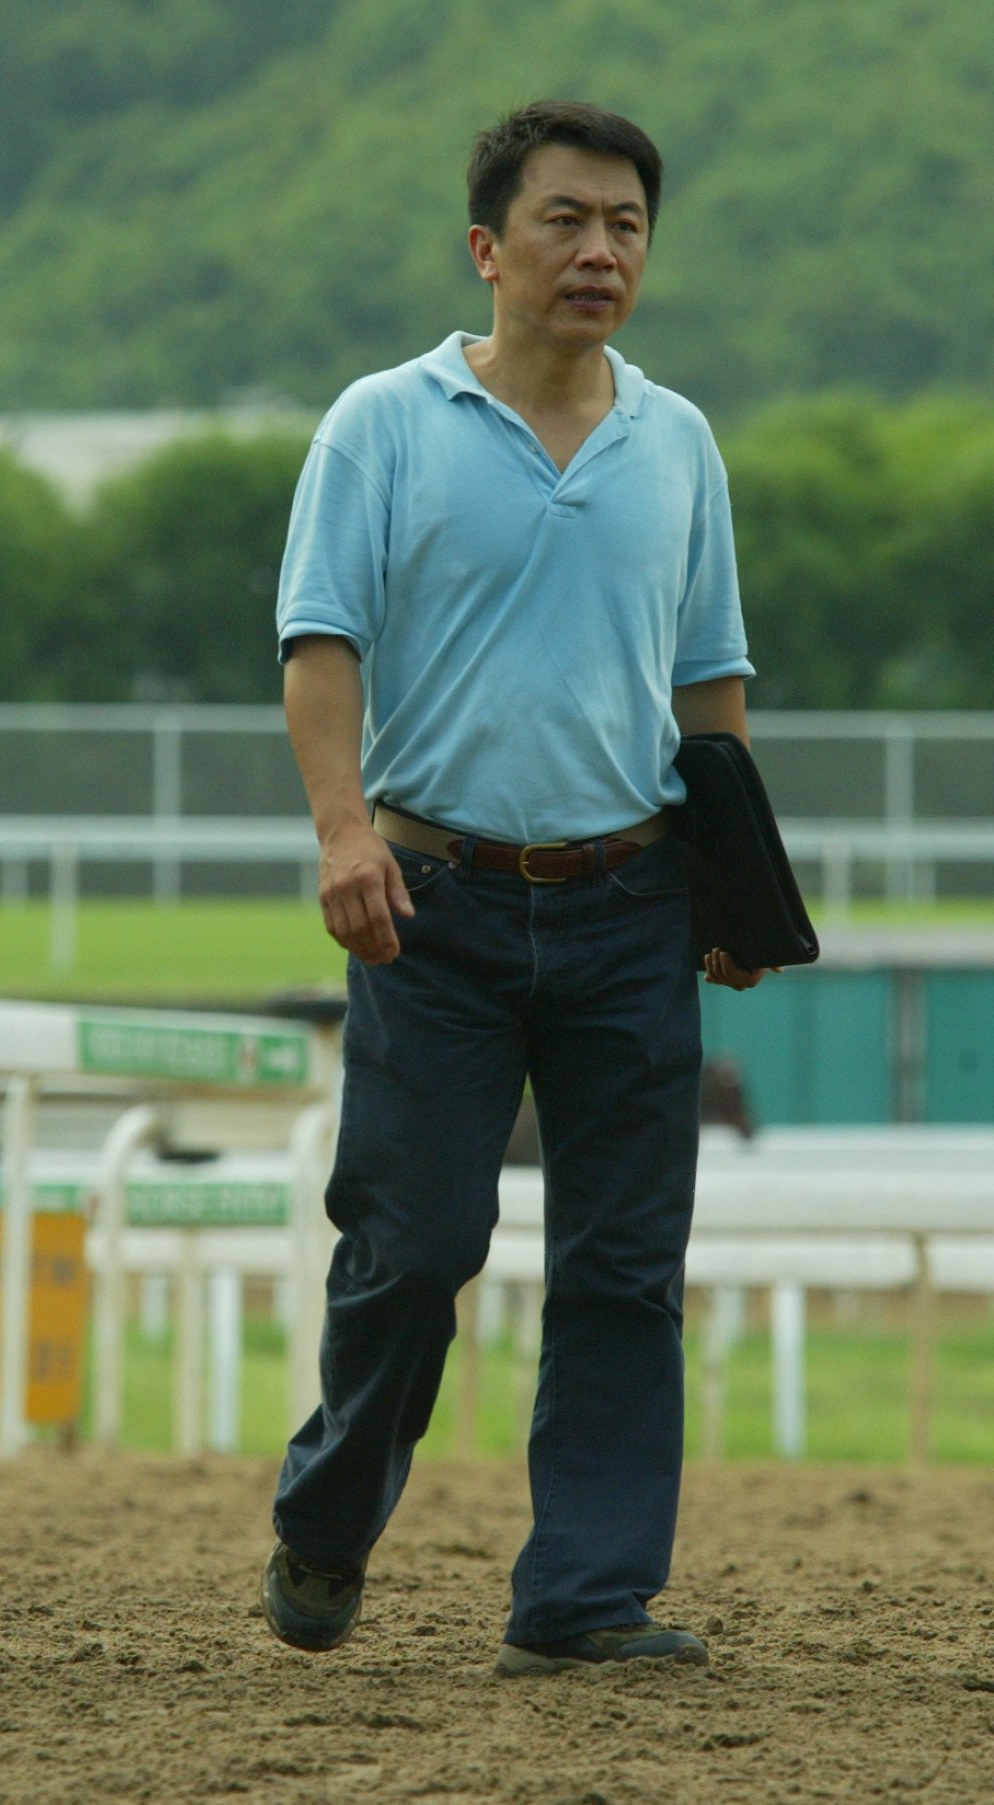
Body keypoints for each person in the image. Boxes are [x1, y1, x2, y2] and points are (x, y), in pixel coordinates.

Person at [261, 101, 770, 1677]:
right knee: (411, 1247)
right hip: (433, 900)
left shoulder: (676, 442)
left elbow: (712, 690)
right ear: (489, 247)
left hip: (630, 903)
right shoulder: (382, 423)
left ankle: (584, 1598)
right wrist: (346, 834)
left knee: (625, 1262)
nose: (600, 249)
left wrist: (732, 884)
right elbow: (319, 646)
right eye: (566, 220)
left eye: (625, 224)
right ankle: (329, 1518)